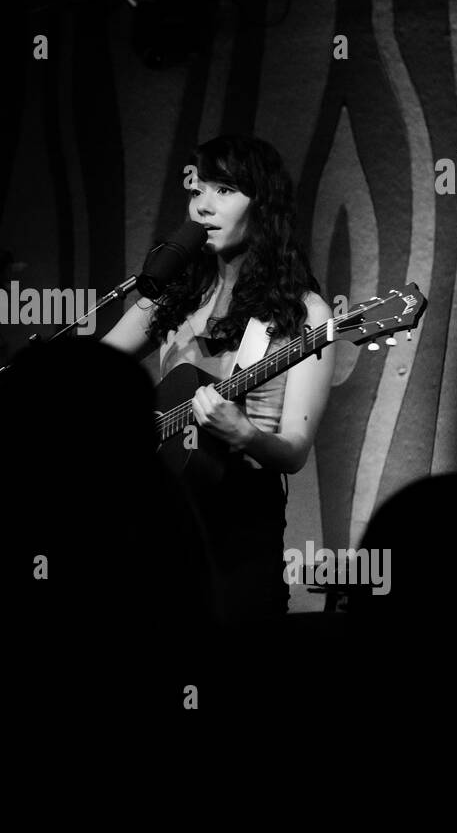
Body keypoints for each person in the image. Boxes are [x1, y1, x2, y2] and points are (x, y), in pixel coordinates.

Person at [101, 134, 334, 626]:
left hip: (240, 520)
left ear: (263, 205)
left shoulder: (302, 312)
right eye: (197, 190)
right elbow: (90, 373)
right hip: (161, 510)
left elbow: (293, 449)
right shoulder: (174, 292)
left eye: (224, 190)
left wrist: (245, 434)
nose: (203, 206)